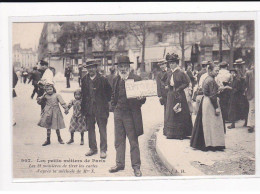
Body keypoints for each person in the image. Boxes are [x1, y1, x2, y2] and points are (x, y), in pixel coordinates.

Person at [109, 56, 146, 177]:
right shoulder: (116, 79)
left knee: (133, 141)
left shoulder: (136, 78)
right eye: (120, 66)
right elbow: (113, 95)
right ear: (118, 68)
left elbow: (143, 98)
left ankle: (136, 167)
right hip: (118, 113)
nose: (123, 69)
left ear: (129, 67)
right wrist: (114, 108)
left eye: (125, 66)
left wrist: (141, 98)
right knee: (118, 141)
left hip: (131, 114)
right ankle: (119, 164)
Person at [190, 64, 225, 151]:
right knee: (213, 123)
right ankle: (213, 144)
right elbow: (212, 95)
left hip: (205, 101)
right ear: (210, 71)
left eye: (218, 71)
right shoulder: (211, 80)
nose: (217, 72)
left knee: (206, 123)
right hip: (210, 103)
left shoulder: (207, 79)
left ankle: (208, 142)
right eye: (216, 71)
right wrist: (216, 107)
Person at [81, 59, 112, 159]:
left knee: (102, 129)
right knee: (90, 129)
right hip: (89, 108)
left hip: (101, 108)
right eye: (89, 68)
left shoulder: (103, 79)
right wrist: (83, 109)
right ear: (87, 69)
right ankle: (93, 149)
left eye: (93, 67)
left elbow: (109, 93)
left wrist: (105, 104)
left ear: (96, 68)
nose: (91, 69)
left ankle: (103, 150)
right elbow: (83, 95)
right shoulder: (84, 79)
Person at [163, 54, 192, 140]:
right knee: (171, 113)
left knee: (179, 113)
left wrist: (178, 88)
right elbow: (165, 81)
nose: (171, 65)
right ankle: (171, 133)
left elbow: (187, 82)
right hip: (171, 95)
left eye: (173, 63)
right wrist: (167, 86)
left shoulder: (181, 72)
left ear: (176, 63)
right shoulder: (169, 73)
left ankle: (180, 134)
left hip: (179, 95)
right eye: (170, 63)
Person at [228, 62, 249, 129]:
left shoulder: (237, 79)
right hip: (240, 96)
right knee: (242, 109)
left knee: (233, 109)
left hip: (236, 96)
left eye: (233, 73)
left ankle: (233, 124)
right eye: (231, 73)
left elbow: (236, 88)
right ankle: (245, 122)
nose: (232, 74)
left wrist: (229, 88)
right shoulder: (239, 77)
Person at [156, 59, 169, 136]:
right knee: (166, 112)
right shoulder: (159, 74)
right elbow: (158, 85)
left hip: (171, 94)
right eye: (160, 65)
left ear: (166, 64)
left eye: (163, 64)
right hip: (164, 95)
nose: (162, 66)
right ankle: (166, 130)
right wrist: (159, 96)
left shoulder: (170, 71)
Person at [245, 63, 255, 133]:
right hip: (252, 94)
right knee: (252, 109)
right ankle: (251, 125)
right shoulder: (249, 73)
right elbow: (246, 84)